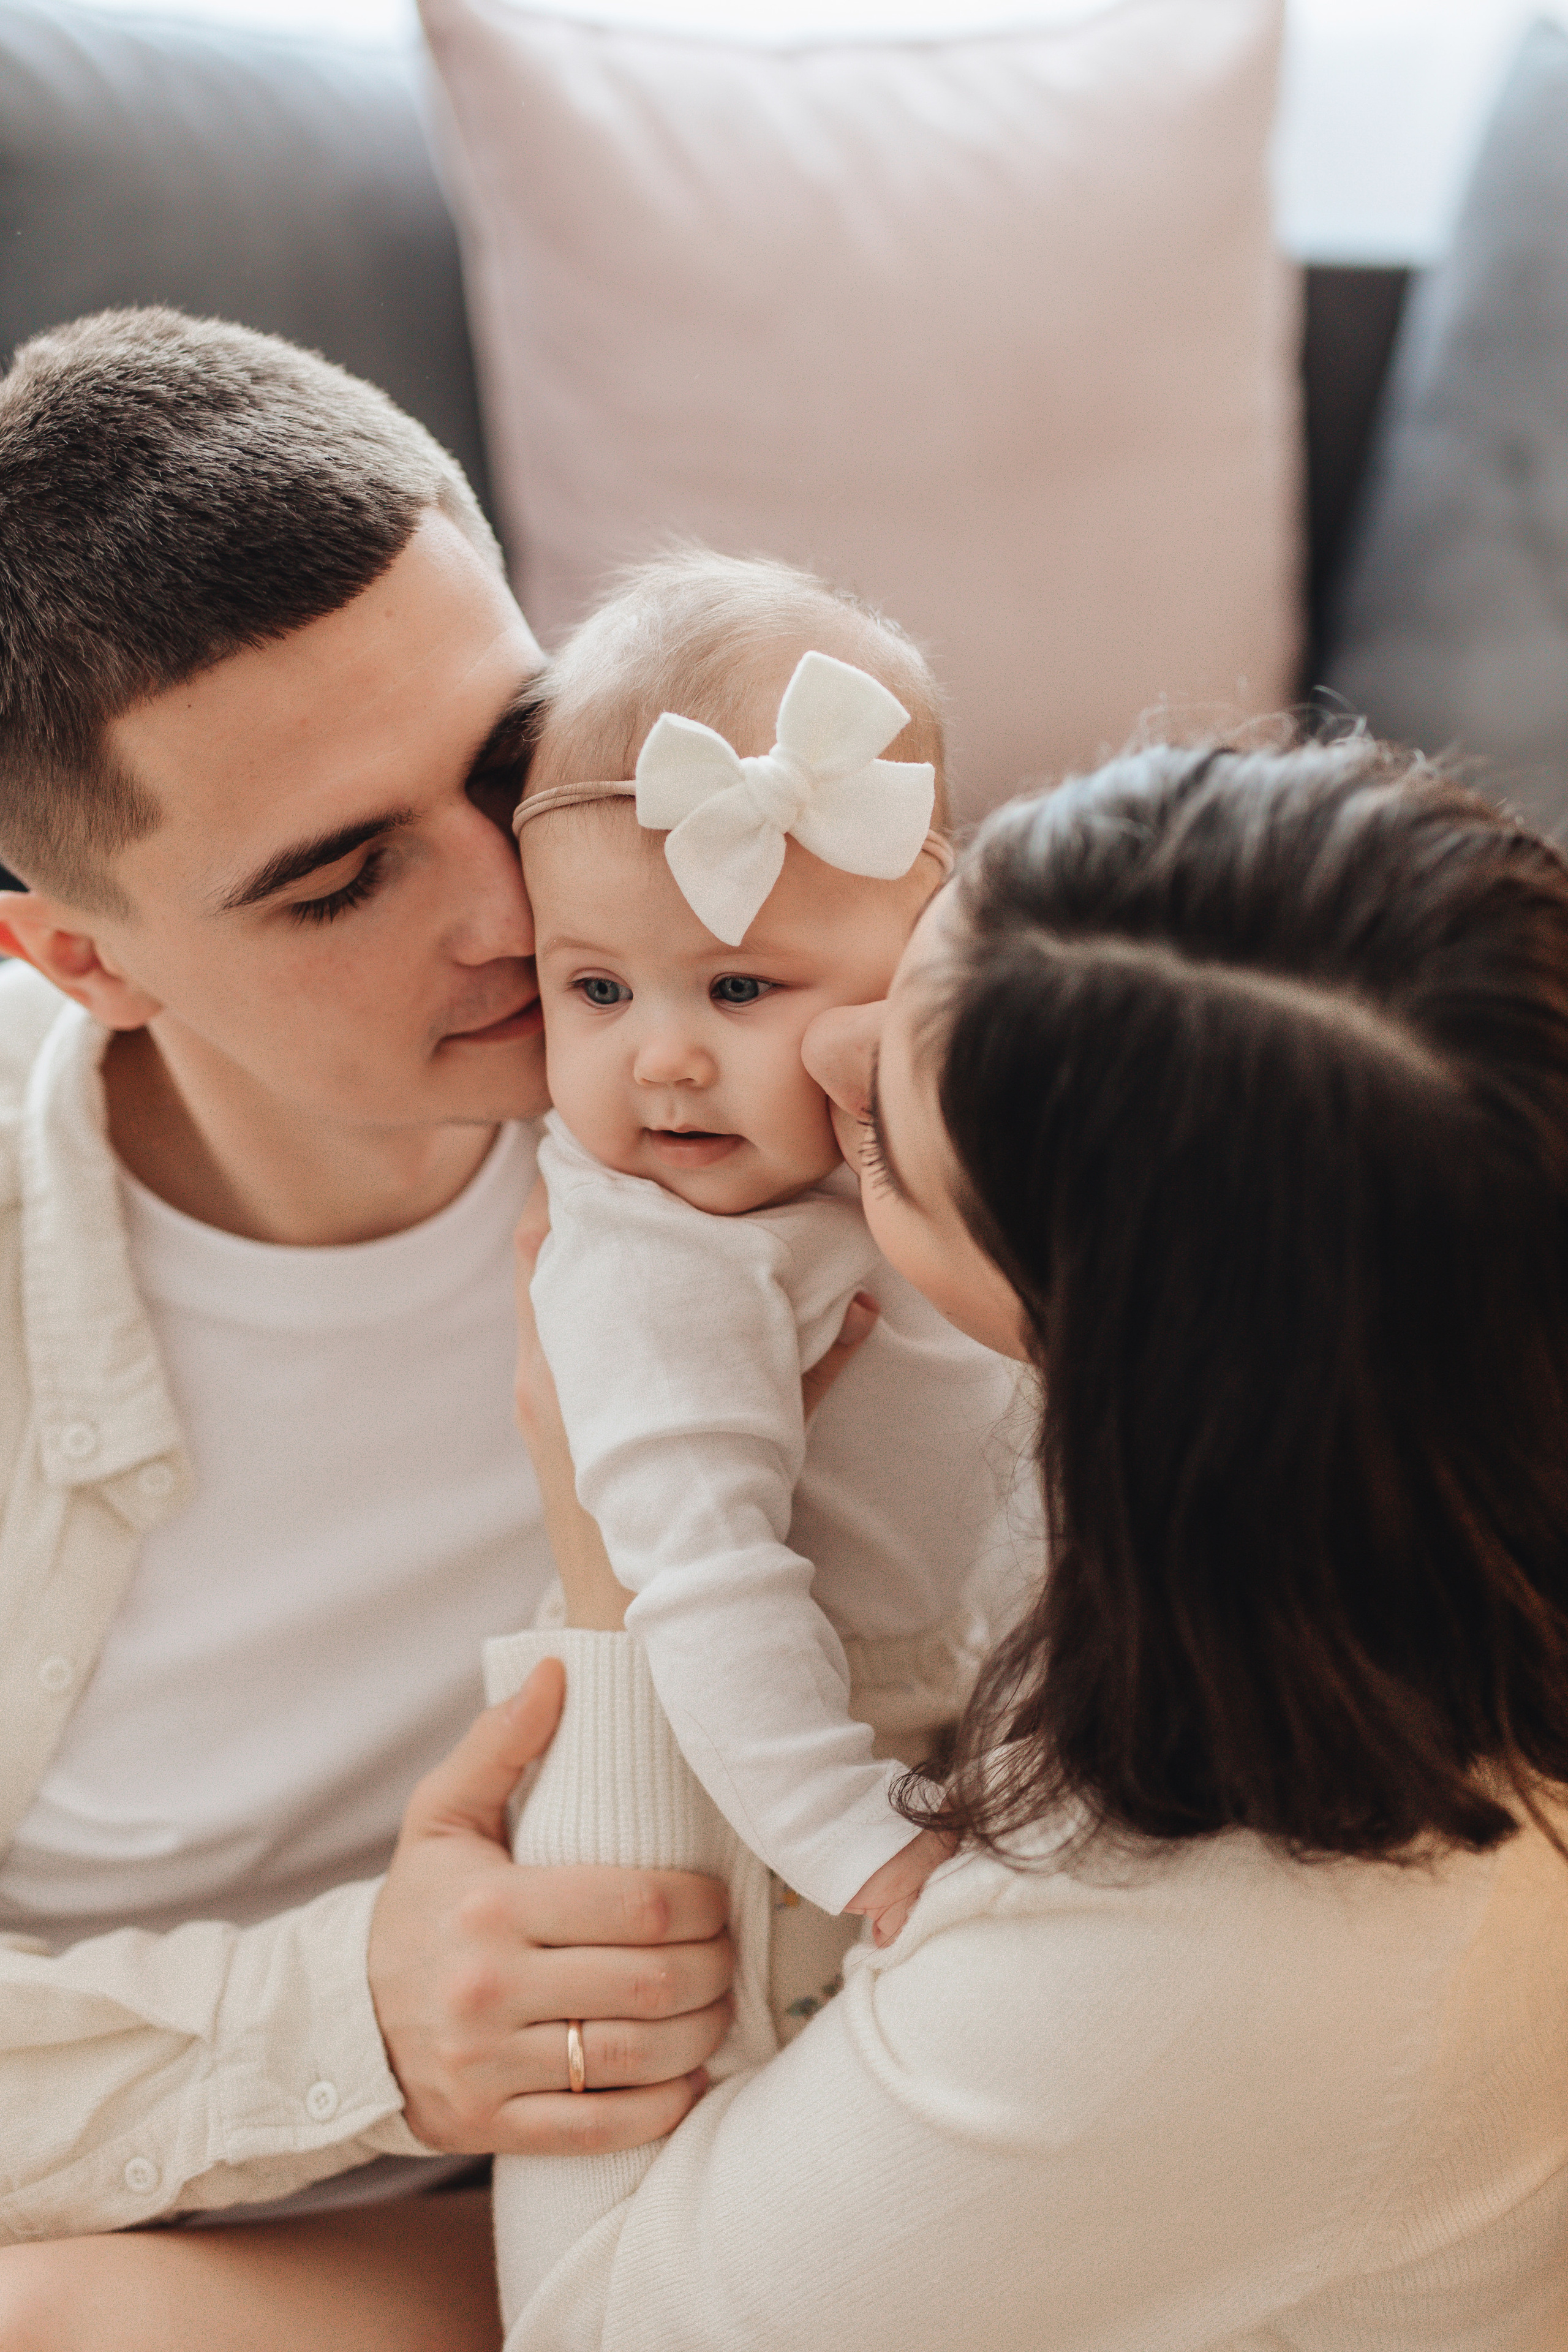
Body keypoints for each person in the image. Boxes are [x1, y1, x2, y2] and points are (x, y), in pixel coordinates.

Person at [488, 739, 1568, 2349]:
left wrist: (609, 1575)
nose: (824, 1048)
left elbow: (593, 2331)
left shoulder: (1222, 1945)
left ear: (1135, 1387)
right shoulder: (1382, 1471)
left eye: (886, 1149)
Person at [0, 309, 788, 2350]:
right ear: (83, 957)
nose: (513, 913)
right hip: (205, 2224)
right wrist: (358, 2016)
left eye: (508, 764)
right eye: (341, 880)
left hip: (729, 2162)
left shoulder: (797, 1050)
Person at [513, 552, 1022, 1948]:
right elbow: (703, 1580)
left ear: (919, 958)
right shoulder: (657, 1255)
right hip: (765, 1778)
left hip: (969, 1678)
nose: (662, 1059)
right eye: (596, 988)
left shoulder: (917, 1125)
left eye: (737, 987)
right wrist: (855, 1841)